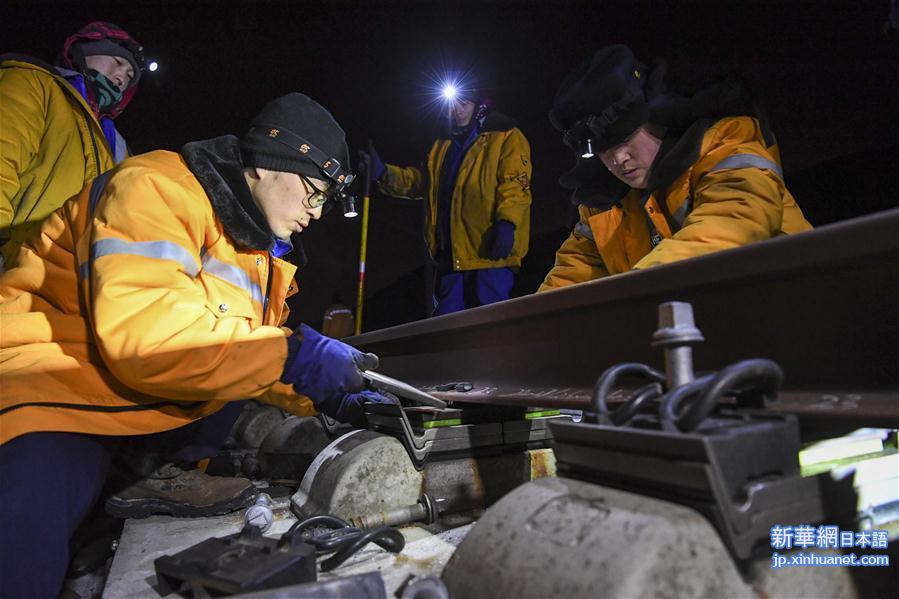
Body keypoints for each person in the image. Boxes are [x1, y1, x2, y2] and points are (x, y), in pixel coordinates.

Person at [0, 92, 392, 597]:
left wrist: (321, 397)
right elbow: (148, 341)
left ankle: (146, 485)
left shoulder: (256, 253)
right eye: (316, 193)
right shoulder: (156, 188)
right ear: (275, 163)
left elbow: (237, 354)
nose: (315, 215)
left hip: (129, 408)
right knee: (23, 544)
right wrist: (295, 355)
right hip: (49, 396)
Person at [538, 45, 812, 291]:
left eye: (626, 138)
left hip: (800, 311)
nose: (618, 158)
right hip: (711, 333)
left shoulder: (726, 146)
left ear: (656, 119)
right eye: (604, 150)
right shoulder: (602, 206)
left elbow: (733, 219)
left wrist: (637, 291)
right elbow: (571, 276)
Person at [367, 83, 532, 315]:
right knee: (447, 325)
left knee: (490, 324)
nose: (456, 110)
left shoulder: (506, 137)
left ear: (479, 105)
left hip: (488, 253)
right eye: (451, 104)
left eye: (463, 103)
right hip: (451, 256)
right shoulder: (441, 146)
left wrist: (508, 222)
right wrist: (384, 174)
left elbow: (516, 183)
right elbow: (422, 183)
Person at [0, 20, 144, 270]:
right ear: (85, 52)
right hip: (14, 268)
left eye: (130, 76)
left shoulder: (118, 146)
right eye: (118, 62)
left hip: (75, 287)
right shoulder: (35, 84)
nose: (122, 76)